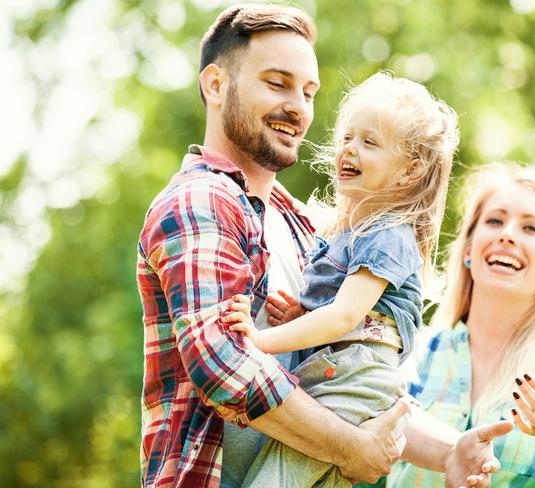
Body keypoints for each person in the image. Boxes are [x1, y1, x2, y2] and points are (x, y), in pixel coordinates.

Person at [136, 4, 510, 487]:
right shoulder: (202, 201)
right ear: (215, 85)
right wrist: (350, 448)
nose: (298, 106)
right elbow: (222, 364)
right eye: (277, 83)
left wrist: (447, 452)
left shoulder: (308, 230)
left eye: (308, 92)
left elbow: (349, 381)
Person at [224, 72, 513, 488]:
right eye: (347, 137)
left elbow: (344, 318)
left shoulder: (388, 235)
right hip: (334, 373)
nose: (349, 149)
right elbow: (338, 314)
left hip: (354, 380)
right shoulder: (344, 234)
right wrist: (302, 316)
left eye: (369, 142)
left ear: (409, 171)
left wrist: (257, 339)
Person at [389, 162, 535, 486]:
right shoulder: (409, 352)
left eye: (531, 228)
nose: (507, 235)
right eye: (495, 221)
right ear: (469, 250)